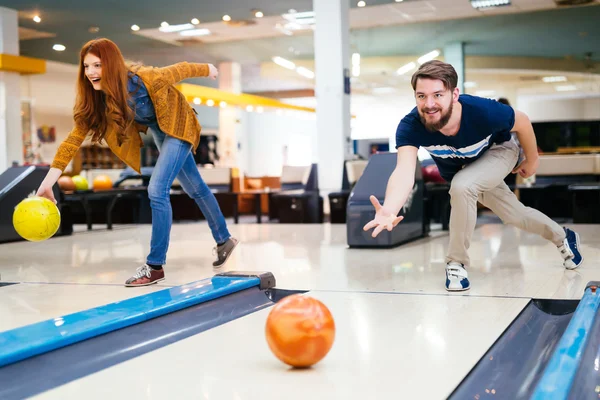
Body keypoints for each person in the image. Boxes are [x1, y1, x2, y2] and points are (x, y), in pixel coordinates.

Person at [363, 60, 583, 291]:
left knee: (462, 186)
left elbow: (523, 121)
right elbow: (404, 172)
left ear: (454, 93)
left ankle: (456, 263)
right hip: (466, 170)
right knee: (515, 215)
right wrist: (389, 209)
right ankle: (564, 238)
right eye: (421, 96)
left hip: (500, 151)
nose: (429, 104)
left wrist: (532, 159)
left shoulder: (482, 111)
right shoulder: (411, 126)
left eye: (438, 94)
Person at [36, 38, 238, 287]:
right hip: (160, 129)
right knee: (194, 187)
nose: (91, 72)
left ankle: (155, 267)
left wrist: (208, 68)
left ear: (111, 64)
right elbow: (72, 141)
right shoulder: (97, 100)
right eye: (87, 66)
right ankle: (224, 240)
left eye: (97, 65)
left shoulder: (145, 78)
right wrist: (48, 182)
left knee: (157, 189)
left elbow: (180, 69)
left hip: (181, 123)